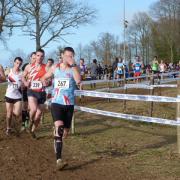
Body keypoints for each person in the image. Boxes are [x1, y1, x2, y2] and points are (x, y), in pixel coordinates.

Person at [41, 47, 81, 170]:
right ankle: (59, 159)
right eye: (67, 55)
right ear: (62, 55)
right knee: (59, 127)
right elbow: (43, 78)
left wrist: (73, 65)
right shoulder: (55, 68)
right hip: (57, 103)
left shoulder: (74, 69)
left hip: (69, 105)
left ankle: (57, 140)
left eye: (71, 56)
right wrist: (45, 82)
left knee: (65, 133)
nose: (69, 58)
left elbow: (78, 80)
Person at [22, 49, 47, 138]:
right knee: (33, 109)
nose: (40, 57)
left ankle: (32, 130)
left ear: (43, 57)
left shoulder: (46, 67)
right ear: (35, 56)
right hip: (31, 91)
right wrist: (25, 82)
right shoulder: (29, 67)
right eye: (38, 55)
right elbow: (22, 76)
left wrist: (47, 82)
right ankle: (30, 121)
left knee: (39, 114)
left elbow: (50, 79)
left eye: (42, 56)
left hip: (42, 92)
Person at [5, 57, 23, 135]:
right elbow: (2, 77)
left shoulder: (22, 73)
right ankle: (8, 128)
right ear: (14, 62)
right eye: (17, 63)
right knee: (9, 113)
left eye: (19, 64)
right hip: (9, 95)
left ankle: (14, 116)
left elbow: (24, 83)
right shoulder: (9, 71)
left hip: (18, 96)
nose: (18, 65)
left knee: (17, 113)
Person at [21, 52, 36, 131]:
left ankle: (28, 124)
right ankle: (23, 124)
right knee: (24, 107)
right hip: (25, 90)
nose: (34, 60)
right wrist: (23, 84)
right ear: (30, 58)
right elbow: (22, 76)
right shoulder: (26, 66)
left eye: (35, 58)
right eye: (33, 58)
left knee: (31, 109)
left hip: (33, 91)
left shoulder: (38, 67)